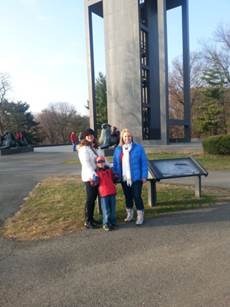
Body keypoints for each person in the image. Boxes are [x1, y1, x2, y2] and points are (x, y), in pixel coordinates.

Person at [113, 128, 148, 225]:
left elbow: (144, 163)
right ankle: (129, 214)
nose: (127, 138)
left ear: (131, 137)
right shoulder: (118, 149)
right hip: (124, 178)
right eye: (125, 136)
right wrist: (116, 176)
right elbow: (116, 164)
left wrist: (144, 176)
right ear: (122, 138)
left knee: (137, 196)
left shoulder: (138, 148)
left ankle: (140, 215)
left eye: (129, 136)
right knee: (128, 196)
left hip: (136, 177)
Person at [78, 128, 105, 229]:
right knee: (90, 199)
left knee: (95, 198)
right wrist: (94, 175)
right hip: (90, 177)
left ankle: (92, 219)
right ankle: (88, 221)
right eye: (88, 135)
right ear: (85, 137)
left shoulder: (97, 147)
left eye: (92, 135)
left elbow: (103, 160)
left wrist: (110, 167)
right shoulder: (83, 149)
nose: (90, 136)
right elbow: (86, 164)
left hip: (99, 175)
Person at [93, 155, 118, 231]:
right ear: (96, 163)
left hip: (112, 191)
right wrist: (95, 180)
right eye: (99, 162)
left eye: (102, 161)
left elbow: (113, 179)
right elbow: (95, 183)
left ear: (104, 162)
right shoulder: (96, 172)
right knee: (106, 210)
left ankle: (112, 222)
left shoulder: (109, 170)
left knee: (113, 209)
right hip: (104, 193)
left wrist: (116, 177)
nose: (101, 163)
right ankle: (106, 223)